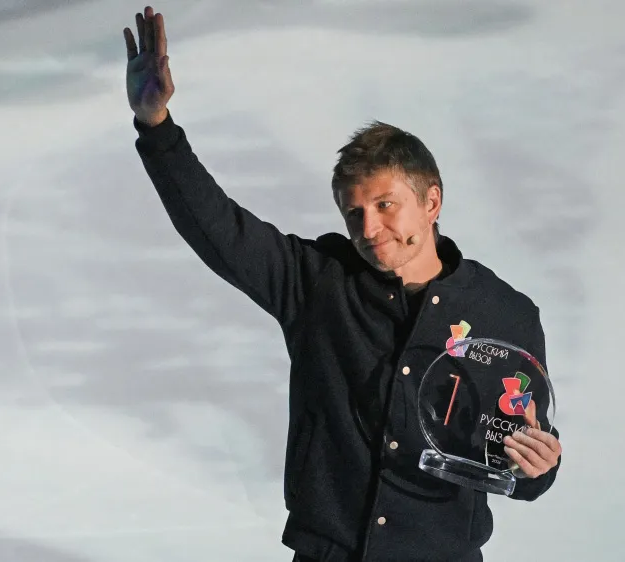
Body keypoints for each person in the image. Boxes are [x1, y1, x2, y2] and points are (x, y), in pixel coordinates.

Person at [123, 6, 562, 561]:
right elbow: (219, 229)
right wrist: (156, 126)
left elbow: (516, 457)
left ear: (431, 201)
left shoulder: (505, 313)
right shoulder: (318, 282)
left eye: (385, 205)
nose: (369, 229)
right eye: (354, 213)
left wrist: (539, 468)